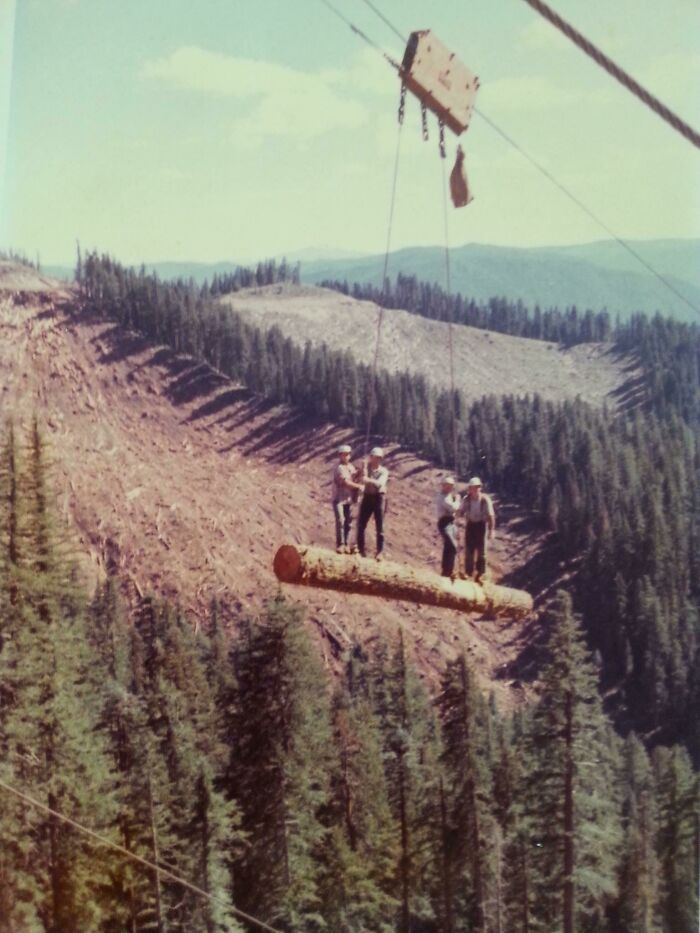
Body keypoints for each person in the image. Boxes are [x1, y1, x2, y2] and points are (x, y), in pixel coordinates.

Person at [459, 476, 495, 582]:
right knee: (469, 551)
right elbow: (461, 512)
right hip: (470, 526)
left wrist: (491, 530)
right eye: (472, 488)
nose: (474, 490)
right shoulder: (467, 499)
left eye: (476, 487)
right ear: (469, 489)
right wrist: (457, 513)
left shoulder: (485, 500)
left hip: (481, 526)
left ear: (479, 488)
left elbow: (491, 516)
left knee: (481, 552)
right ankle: (468, 572)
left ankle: (481, 573)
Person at [357, 447, 389, 561]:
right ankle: (360, 550)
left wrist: (368, 480)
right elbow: (358, 477)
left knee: (379, 526)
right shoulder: (366, 469)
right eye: (375, 457)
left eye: (379, 458)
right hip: (367, 497)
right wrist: (362, 469)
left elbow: (380, 484)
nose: (377, 460)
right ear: (371, 457)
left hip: (379, 498)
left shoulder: (384, 471)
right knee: (361, 525)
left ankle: (379, 552)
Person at [332, 444, 362, 553]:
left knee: (348, 523)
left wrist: (360, 471)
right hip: (338, 499)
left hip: (348, 500)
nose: (346, 456)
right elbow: (346, 483)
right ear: (340, 456)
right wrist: (359, 486)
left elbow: (355, 477)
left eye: (348, 454)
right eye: (344, 454)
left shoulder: (351, 467)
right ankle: (340, 544)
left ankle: (347, 545)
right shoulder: (339, 468)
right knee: (340, 521)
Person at [435, 475, 461, 578]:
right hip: (444, 522)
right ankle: (448, 570)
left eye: (451, 486)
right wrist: (458, 500)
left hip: (451, 522)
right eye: (447, 485)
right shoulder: (442, 497)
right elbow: (453, 507)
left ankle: (447, 571)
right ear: (443, 486)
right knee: (452, 545)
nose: (449, 487)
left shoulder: (449, 496)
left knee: (448, 547)